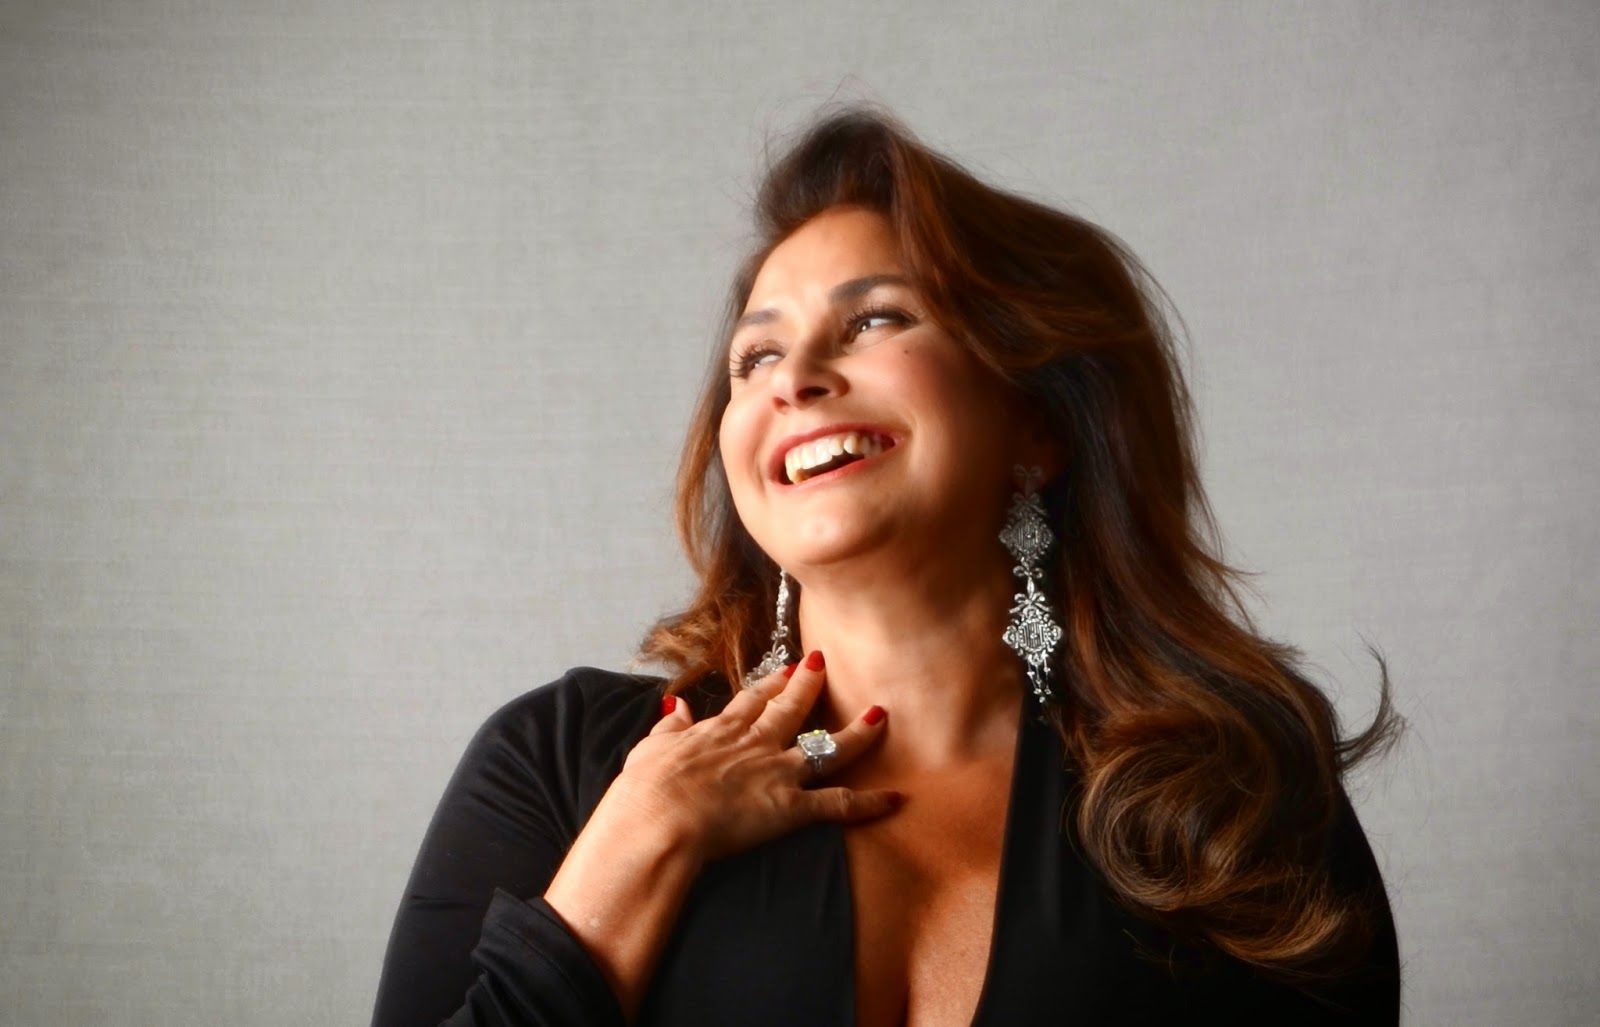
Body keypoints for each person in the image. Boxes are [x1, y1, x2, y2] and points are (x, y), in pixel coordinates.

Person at [371, 103, 1404, 1026]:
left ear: (1037, 423)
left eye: (875, 319)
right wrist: (636, 842)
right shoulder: (561, 765)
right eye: (755, 357)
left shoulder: (1230, 793)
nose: (795, 379)